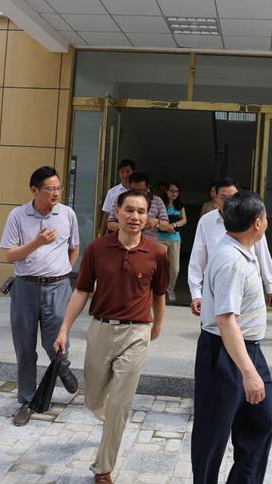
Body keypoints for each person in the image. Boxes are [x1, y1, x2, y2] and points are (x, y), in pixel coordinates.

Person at [54, 189, 169, 484]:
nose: (135, 216)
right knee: (93, 399)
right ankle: (109, 421)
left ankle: (103, 468)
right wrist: (65, 328)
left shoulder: (158, 252)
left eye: (141, 211)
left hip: (136, 332)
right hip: (101, 330)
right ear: (116, 212)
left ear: (147, 217)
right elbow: (82, 291)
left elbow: (159, 294)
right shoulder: (97, 248)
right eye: (129, 209)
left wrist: (157, 325)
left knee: (119, 403)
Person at [191, 191, 272, 484]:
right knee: (212, 435)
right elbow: (226, 320)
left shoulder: (243, 251)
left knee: (262, 422)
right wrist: (249, 373)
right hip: (223, 353)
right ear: (257, 223)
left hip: (248, 349)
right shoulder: (231, 260)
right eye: (265, 217)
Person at [0, 166, 80, 426]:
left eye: (58, 188)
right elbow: (9, 255)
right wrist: (37, 243)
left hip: (58, 287)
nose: (56, 193)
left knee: (55, 342)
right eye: (50, 189)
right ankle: (27, 400)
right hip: (25, 287)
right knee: (24, 347)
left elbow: (74, 248)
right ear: (34, 190)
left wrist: (62, 272)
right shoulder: (17, 215)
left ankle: (62, 366)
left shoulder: (67, 214)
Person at [188, 177, 272, 316]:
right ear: (214, 196)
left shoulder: (251, 219)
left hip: (247, 285)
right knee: (220, 321)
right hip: (217, 284)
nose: (228, 202)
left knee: (246, 324)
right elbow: (198, 258)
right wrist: (196, 293)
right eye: (223, 197)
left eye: (232, 197)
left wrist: (270, 286)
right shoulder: (206, 222)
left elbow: (262, 252)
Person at [106, 171, 171, 240]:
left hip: (149, 243)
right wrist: (127, 227)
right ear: (129, 187)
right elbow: (110, 224)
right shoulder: (120, 199)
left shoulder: (157, 201)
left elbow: (166, 226)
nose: (137, 193)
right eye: (133, 190)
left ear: (148, 187)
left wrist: (157, 222)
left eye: (141, 191)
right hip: (124, 241)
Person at [157, 180, 187, 303]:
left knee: (175, 269)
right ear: (166, 191)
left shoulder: (180, 205)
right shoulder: (160, 204)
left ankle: (170, 288)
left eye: (176, 191)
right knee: (161, 266)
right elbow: (156, 219)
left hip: (175, 239)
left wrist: (173, 225)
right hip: (160, 238)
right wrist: (165, 227)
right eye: (171, 191)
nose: (174, 193)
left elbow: (184, 220)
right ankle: (159, 289)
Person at [99, 159, 135, 237]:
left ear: (134, 172)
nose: (125, 174)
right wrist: (101, 235)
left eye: (128, 171)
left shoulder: (139, 191)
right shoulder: (112, 192)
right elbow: (106, 214)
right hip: (114, 232)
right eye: (122, 171)